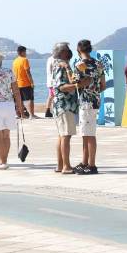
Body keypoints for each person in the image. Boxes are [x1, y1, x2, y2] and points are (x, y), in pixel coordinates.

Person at [72, 40, 105, 175]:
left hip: (86, 101)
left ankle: (91, 165)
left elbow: (77, 84)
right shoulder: (99, 64)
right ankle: (85, 162)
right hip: (95, 100)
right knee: (86, 133)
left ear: (79, 50)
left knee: (89, 134)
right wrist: (95, 91)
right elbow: (103, 85)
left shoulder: (79, 65)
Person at [50, 43, 78, 174]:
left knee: (62, 136)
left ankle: (61, 165)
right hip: (65, 105)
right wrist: (78, 85)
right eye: (67, 50)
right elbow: (61, 86)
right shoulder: (61, 66)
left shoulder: (60, 65)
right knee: (65, 136)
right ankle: (66, 166)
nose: (70, 52)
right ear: (62, 53)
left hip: (63, 105)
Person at [12, 45, 35, 119]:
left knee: (20, 100)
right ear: (22, 52)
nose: (26, 53)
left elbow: (14, 73)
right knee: (30, 99)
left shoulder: (15, 61)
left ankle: (22, 115)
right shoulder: (25, 60)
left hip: (17, 83)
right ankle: (31, 115)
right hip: (25, 83)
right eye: (25, 52)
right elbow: (27, 72)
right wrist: (32, 82)